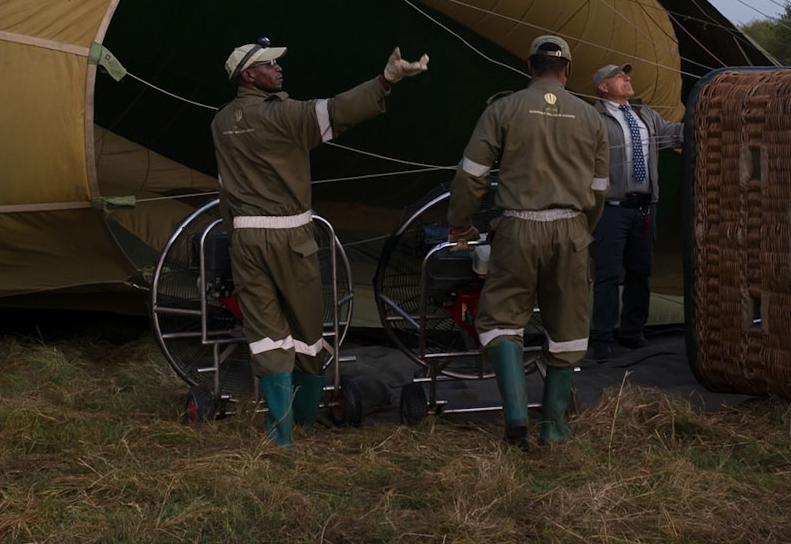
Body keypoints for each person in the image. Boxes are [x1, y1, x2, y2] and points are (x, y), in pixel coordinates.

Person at [213, 38, 429, 446]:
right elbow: (339, 110)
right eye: (269, 64)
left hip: (244, 240)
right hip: (290, 238)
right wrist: (385, 81)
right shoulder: (285, 116)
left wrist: (237, 232)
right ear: (248, 75)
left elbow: (224, 189)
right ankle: (306, 423)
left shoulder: (220, 122)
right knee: (307, 334)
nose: (278, 68)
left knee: (264, 335)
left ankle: (281, 436)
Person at [447, 34, 609, 448]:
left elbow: (471, 175)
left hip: (517, 228)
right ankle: (554, 426)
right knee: (568, 330)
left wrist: (460, 225)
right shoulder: (592, 117)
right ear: (567, 72)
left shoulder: (504, 108)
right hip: (572, 230)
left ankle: (516, 415)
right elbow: (600, 188)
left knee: (501, 320)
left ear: (530, 67)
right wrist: (582, 230)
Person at [588, 62, 684, 360]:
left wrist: (704, 115)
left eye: (626, 74)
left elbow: (673, 134)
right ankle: (601, 337)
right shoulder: (594, 118)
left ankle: (632, 331)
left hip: (644, 208)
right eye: (619, 76)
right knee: (607, 274)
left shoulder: (645, 115)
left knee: (641, 272)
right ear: (604, 86)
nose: (626, 78)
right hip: (611, 208)